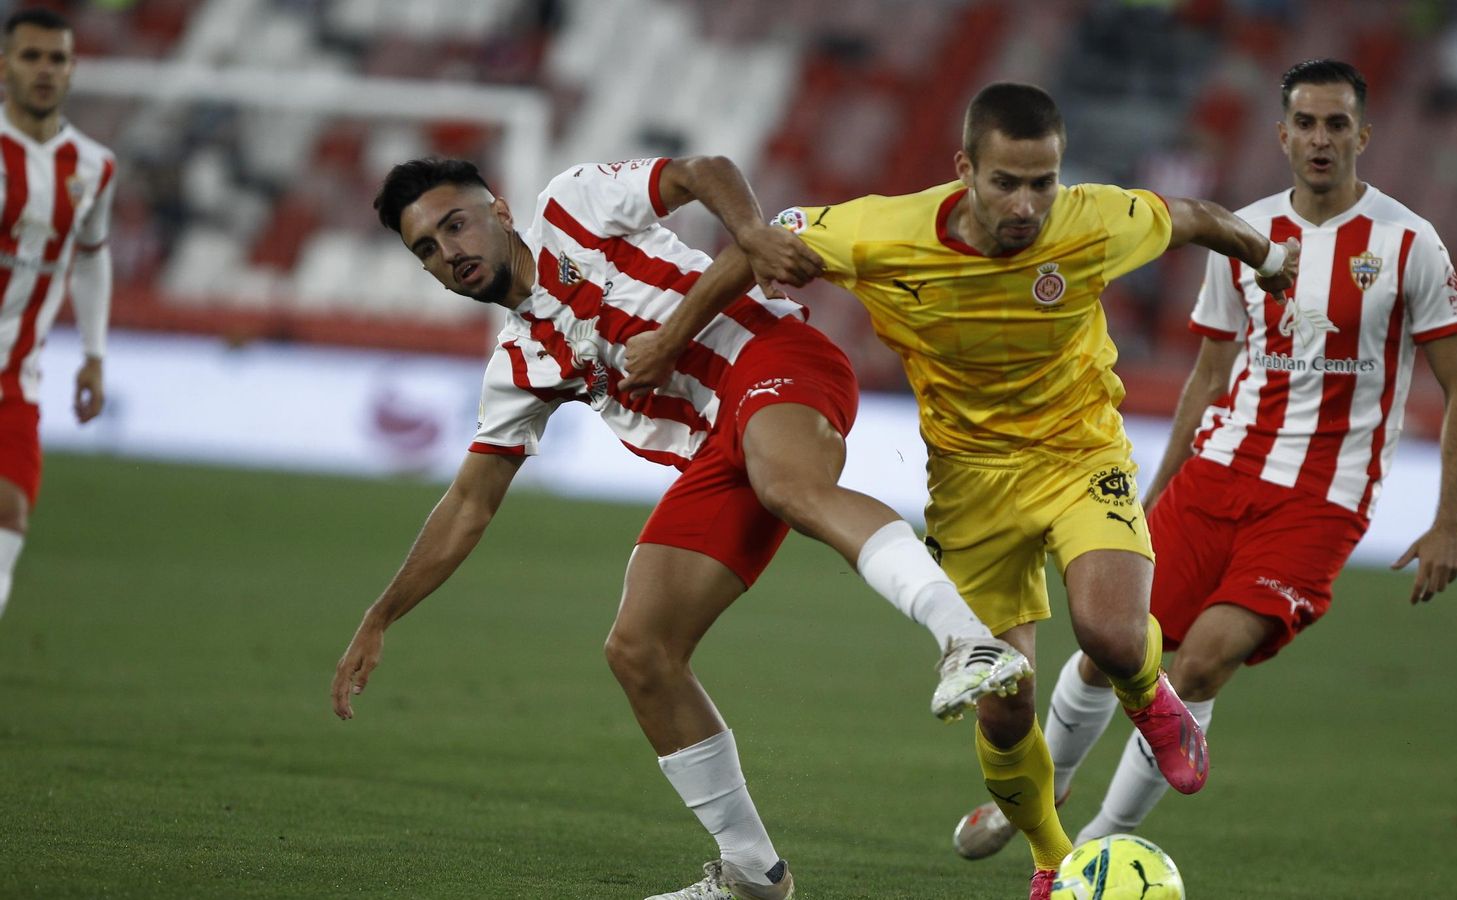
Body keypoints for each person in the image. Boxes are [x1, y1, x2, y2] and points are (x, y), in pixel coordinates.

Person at [620, 82, 1300, 899]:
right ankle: (1055, 860)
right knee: (1005, 703)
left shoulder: (1096, 220)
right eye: (1006, 182)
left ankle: (1151, 696)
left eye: (1043, 181)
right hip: (969, 483)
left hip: (1081, 453)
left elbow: (1194, 215)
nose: (1028, 203)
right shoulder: (882, 232)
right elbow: (756, 247)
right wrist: (668, 338)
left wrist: (1267, 259)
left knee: (1113, 634)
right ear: (964, 171)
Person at [329, 154, 1032, 900]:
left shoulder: (574, 204)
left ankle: (966, 637)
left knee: (789, 482)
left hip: (772, 356)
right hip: (718, 457)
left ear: (498, 210)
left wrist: (752, 233)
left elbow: (703, 171)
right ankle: (753, 874)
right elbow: (469, 504)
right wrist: (382, 614)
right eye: (428, 251)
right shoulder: (518, 366)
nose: (451, 252)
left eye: (455, 224)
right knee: (640, 650)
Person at [951, 58, 1457, 854]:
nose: (1320, 138)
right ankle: (1041, 789)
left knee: (1195, 669)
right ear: (1281, 134)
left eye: (1337, 124)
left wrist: (1450, 523)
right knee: (1112, 648)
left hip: (1322, 498)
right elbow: (1208, 373)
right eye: (1305, 122)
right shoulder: (1243, 231)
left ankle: (1094, 851)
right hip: (1216, 472)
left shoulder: (1411, 245)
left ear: (1363, 136)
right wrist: (1152, 491)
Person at [0, 8, 116, 620]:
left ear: (72, 69)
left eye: (57, 58)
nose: (44, 70)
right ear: (3, 66)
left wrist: (93, 355)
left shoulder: (94, 166)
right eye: (30, 56)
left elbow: (92, 258)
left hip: (15, 379)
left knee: (10, 516)